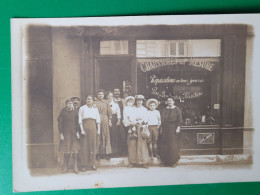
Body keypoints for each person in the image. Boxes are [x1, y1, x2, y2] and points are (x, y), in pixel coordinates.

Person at [78, 95, 101, 171]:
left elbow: (98, 119)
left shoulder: (95, 109)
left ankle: (93, 164)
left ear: (92, 101)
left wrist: (98, 130)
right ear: (85, 100)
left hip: (93, 126)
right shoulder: (82, 108)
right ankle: (83, 165)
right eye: (87, 99)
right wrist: (82, 130)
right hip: (85, 126)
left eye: (90, 99)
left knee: (93, 145)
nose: (89, 100)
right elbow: (80, 120)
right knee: (84, 146)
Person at [57, 99, 80, 174]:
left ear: (73, 105)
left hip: (73, 133)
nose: (70, 105)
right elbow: (60, 123)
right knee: (66, 150)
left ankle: (75, 167)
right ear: (66, 104)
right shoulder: (63, 112)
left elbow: (77, 123)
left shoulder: (75, 112)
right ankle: (65, 167)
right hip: (66, 134)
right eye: (68, 103)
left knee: (74, 150)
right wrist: (61, 134)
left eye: (71, 103)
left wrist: (77, 132)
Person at [127, 95, 150, 168]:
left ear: (143, 101)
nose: (139, 102)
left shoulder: (144, 109)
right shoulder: (132, 109)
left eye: (141, 100)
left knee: (142, 145)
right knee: (132, 145)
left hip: (141, 128)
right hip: (133, 127)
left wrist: (140, 120)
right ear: (136, 101)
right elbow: (131, 117)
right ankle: (132, 162)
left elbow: (145, 119)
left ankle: (144, 162)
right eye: (138, 100)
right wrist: (136, 120)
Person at [160, 97, 182, 167]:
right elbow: (161, 119)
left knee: (173, 145)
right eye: (168, 101)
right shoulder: (164, 109)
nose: (169, 102)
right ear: (166, 102)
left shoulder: (177, 109)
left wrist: (178, 127)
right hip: (165, 129)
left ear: (173, 102)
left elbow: (180, 120)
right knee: (165, 145)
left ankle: (173, 162)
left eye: (171, 101)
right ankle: (165, 162)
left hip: (173, 128)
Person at [94, 89, 112, 160]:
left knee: (106, 135)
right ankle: (98, 153)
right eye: (99, 94)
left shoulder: (106, 102)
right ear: (97, 95)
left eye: (101, 94)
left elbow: (109, 112)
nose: (100, 95)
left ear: (104, 95)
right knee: (98, 136)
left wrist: (110, 121)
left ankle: (106, 153)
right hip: (97, 119)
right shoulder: (94, 102)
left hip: (105, 119)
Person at [107, 91, 121, 156]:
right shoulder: (105, 102)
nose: (110, 97)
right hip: (106, 118)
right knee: (108, 135)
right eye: (108, 96)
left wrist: (118, 120)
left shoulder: (115, 103)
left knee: (114, 134)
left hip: (114, 119)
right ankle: (108, 152)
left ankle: (115, 151)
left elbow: (118, 111)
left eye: (111, 96)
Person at [113, 88, 127, 156]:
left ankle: (123, 152)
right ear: (113, 92)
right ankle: (116, 152)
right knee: (115, 135)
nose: (117, 93)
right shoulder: (111, 100)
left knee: (123, 135)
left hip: (123, 119)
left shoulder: (123, 100)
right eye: (115, 91)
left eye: (118, 91)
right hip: (115, 120)